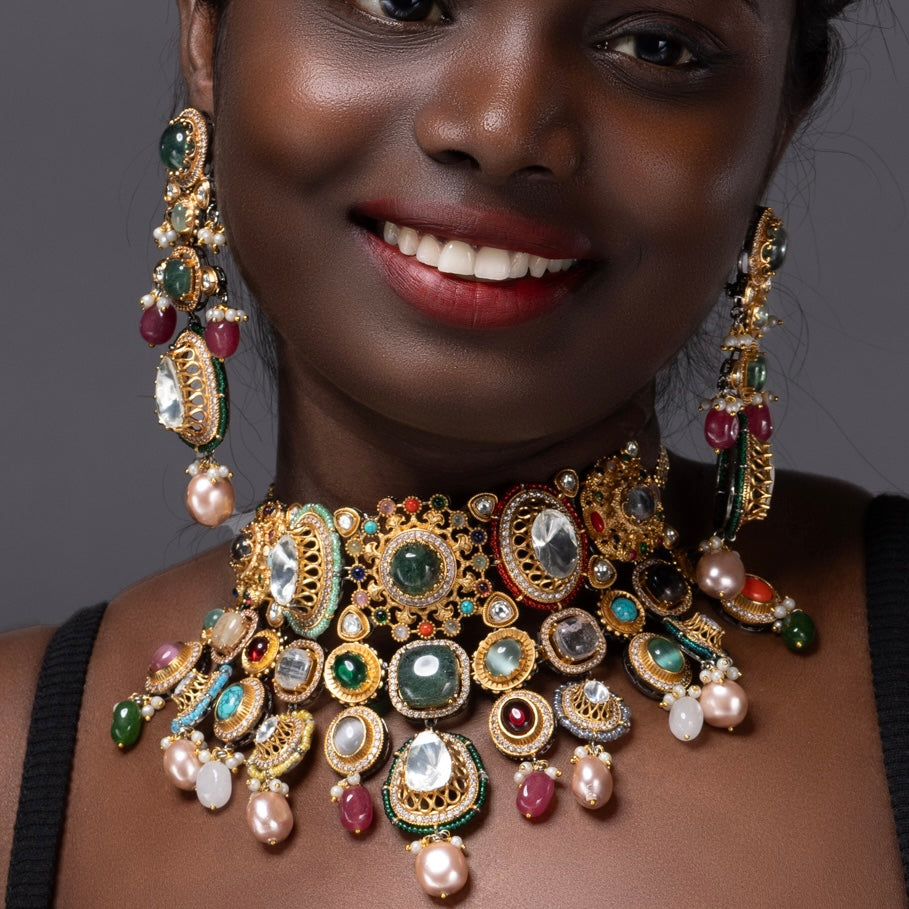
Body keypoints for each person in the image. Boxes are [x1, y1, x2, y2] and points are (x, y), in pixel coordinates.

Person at [1, 0, 906, 905]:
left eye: (656, 46)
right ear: (209, 29)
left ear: (776, 124)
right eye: (402, 2)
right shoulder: (16, 765)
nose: (503, 126)